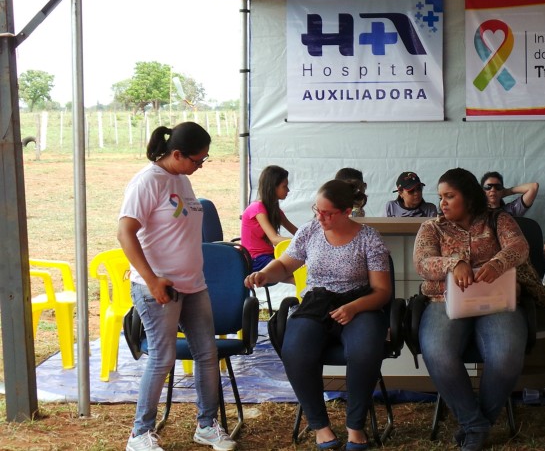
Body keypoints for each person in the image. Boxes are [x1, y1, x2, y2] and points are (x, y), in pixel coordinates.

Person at [245, 180, 391, 451]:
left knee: (365, 351)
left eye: (327, 213)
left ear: (347, 211)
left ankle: (355, 426)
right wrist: (266, 274)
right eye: (317, 210)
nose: (319, 217)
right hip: (317, 301)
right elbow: (285, 264)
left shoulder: (369, 237)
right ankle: (320, 427)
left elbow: (382, 291)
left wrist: (354, 307)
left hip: (359, 302)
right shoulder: (310, 231)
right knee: (295, 350)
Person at [118, 122, 235, 451]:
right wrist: (153, 280)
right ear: (178, 154)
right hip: (159, 288)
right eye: (198, 160)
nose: (200, 166)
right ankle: (140, 434)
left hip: (194, 285)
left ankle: (207, 425)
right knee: (162, 357)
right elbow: (125, 232)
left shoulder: (181, 180)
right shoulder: (147, 181)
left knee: (207, 354)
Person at [413, 168, 529, 451]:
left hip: (496, 300)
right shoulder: (432, 227)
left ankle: (477, 425)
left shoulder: (497, 219)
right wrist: (454, 263)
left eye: (450, 196)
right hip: (444, 301)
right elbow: (423, 263)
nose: (443, 203)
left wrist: (496, 264)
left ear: (468, 197)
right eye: (440, 197)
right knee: (438, 352)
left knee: (507, 354)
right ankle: (475, 424)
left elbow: (519, 246)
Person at [241, 165, 298, 271]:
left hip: (269, 256)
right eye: (284, 186)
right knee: (297, 275)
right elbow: (275, 239)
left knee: (301, 267)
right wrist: (301, 241)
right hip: (255, 260)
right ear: (273, 187)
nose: (288, 190)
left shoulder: (274, 209)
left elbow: (297, 232)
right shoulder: (257, 208)